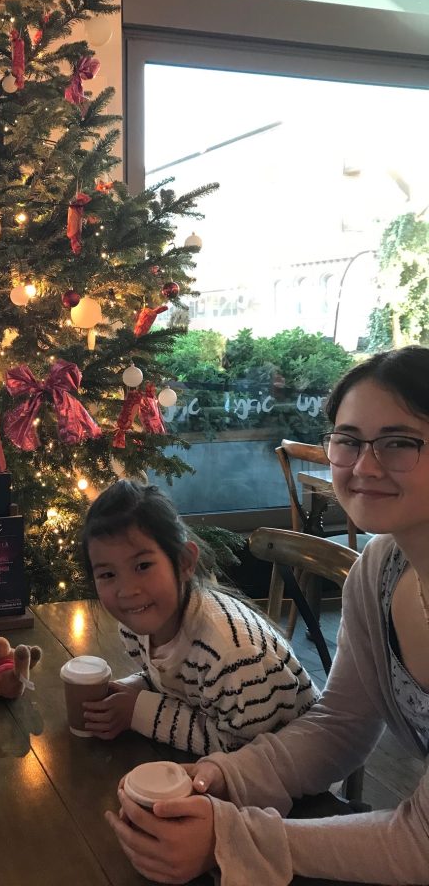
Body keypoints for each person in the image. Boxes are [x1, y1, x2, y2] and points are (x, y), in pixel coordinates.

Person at [106, 345, 429, 886]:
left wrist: (232, 838)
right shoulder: (381, 569)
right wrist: (221, 776)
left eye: (398, 443)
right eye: (347, 441)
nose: (364, 466)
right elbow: (342, 726)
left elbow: (420, 844)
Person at [80, 479, 318, 753]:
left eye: (142, 565)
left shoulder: (232, 652)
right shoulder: (135, 626)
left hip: (295, 765)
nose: (127, 591)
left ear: (184, 562)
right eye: (108, 574)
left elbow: (243, 748)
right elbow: (176, 686)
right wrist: (134, 688)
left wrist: (138, 711)